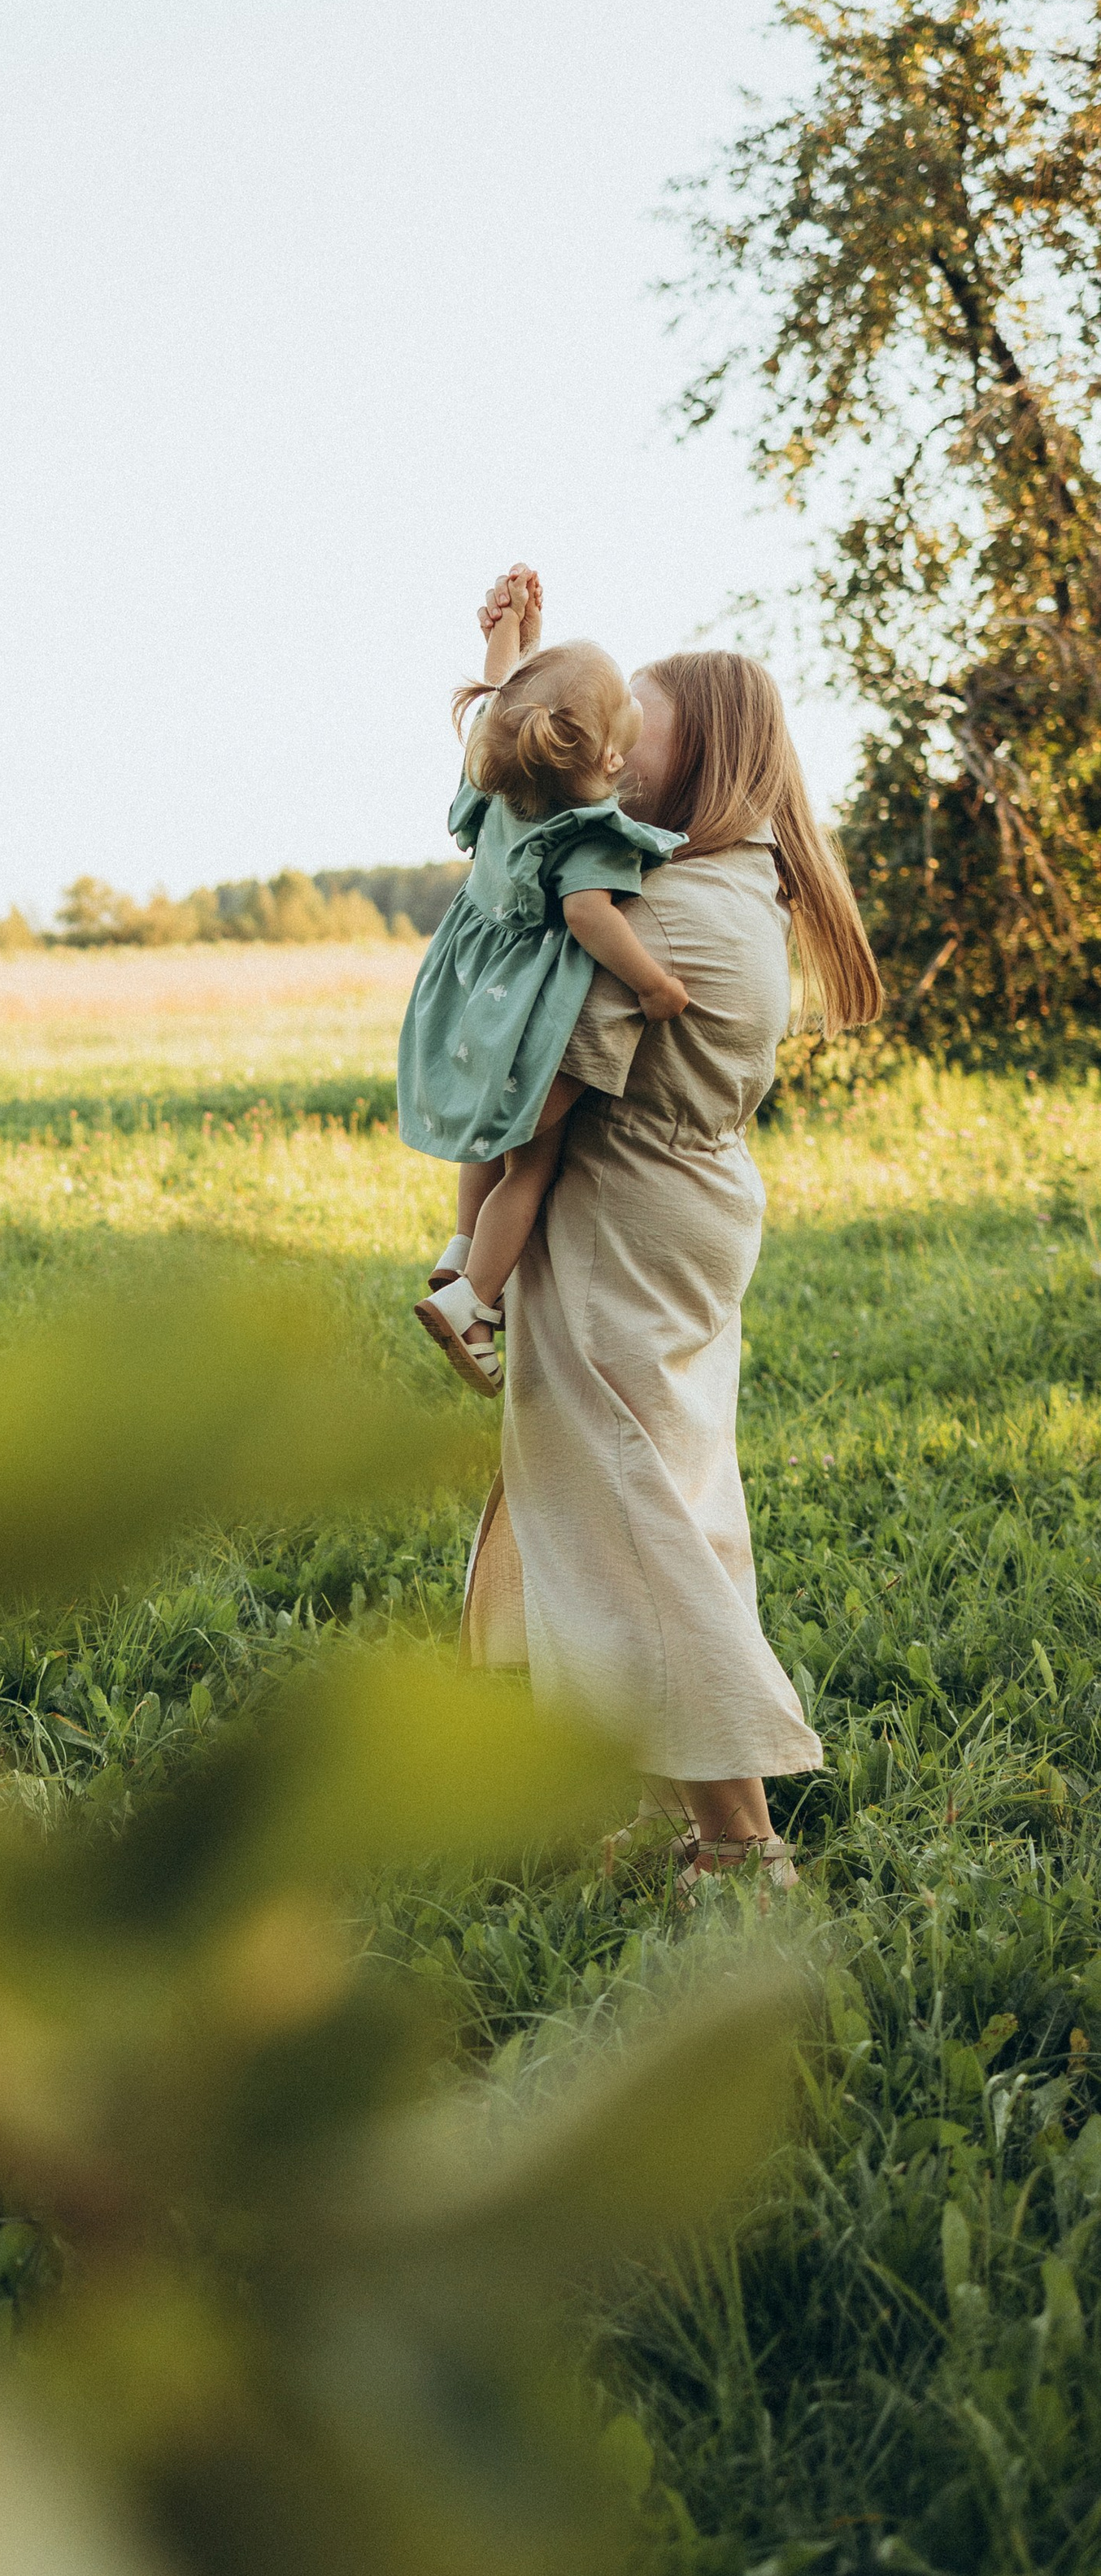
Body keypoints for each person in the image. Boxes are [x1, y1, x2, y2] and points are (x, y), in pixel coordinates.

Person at [454, 581, 881, 1892]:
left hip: (627, 1223)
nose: (618, 742)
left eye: (645, 730)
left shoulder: (671, 918)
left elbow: (524, 1089)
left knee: (634, 1512)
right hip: (677, 1211)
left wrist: (468, 1271)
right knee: (646, 1495)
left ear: (708, 756)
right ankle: (667, 1802)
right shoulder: (727, 885)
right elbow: (525, 800)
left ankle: (739, 1839)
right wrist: (505, 667)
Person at [401, 568, 692, 1395]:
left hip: (467, 996)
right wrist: (653, 986)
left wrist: (513, 633)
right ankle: (475, 1303)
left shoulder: (495, 785)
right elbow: (590, 919)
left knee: (487, 1144)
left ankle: (460, 1247)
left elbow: (499, 697)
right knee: (530, 1167)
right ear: (607, 756)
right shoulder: (589, 832)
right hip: (530, 1013)